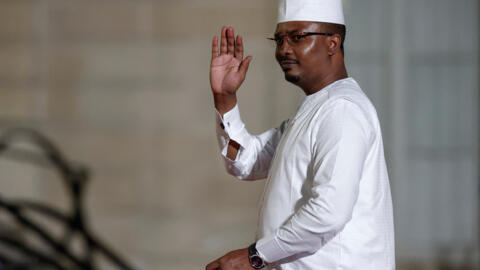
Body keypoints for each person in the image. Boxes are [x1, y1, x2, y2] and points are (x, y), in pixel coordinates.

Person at [205, 0, 395, 269]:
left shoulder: (342, 110)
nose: (284, 50)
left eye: (297, 37)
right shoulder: (315, 110)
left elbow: (329, 212)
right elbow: (246, 163)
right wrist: (225, 98)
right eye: (279, 39)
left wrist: (254, 256)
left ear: (332, 42)